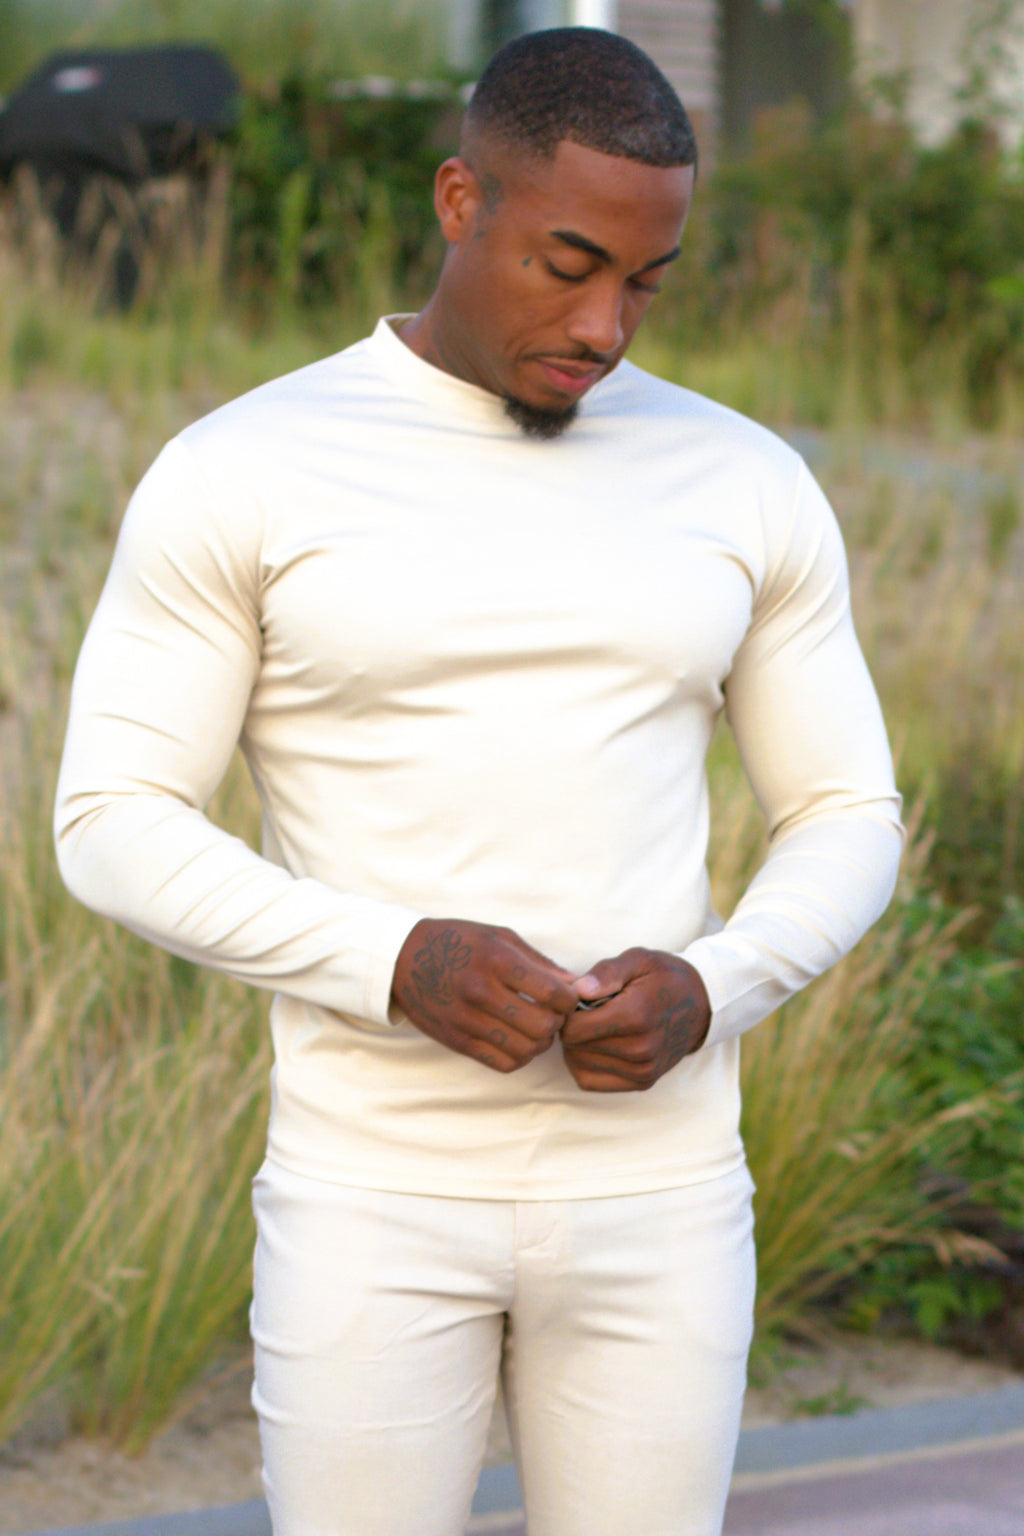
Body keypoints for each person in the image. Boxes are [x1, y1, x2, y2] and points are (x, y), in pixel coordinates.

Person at [54, 27, 903, 1536]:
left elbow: (847, 810)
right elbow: (110, 821)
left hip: (661, 1198)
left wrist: (718, 985)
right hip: (370, 1197)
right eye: (568, 265)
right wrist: (395, 962)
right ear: (460, 200)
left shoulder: (745, 478)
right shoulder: (246, 468)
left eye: (646, 281)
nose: (604, 325)